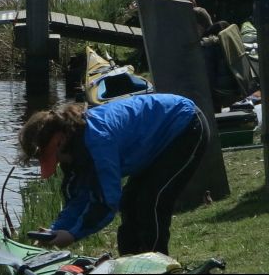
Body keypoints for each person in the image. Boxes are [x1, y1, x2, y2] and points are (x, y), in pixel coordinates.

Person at [17, 94, 209, 256]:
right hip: (154, 142)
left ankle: (157, 269)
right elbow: (78, 197)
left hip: (184, 126)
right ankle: (130, 262)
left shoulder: (97, 142)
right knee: (129, 202)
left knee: (151, 202)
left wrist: (73, 234)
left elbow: (107, 202)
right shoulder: (72, 145)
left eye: (53, 157)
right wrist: (57, 229)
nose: (58, 163)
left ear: (58, 140)